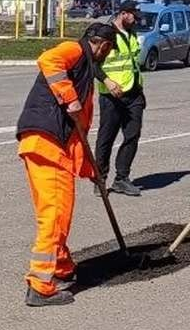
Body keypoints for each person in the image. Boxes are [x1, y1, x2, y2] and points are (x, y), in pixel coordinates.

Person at [16, 22, 118, 307]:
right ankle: (41, 286)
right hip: (48, 145)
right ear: (102, 45)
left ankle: (61, 268)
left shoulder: (84, 71)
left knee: (55, 211)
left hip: (42, 144)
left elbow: (79, 137)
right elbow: (49, 59)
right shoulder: (76, 50)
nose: (107, 56)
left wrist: (91, 172)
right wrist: (70, 98)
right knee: (56, 215)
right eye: (108, 51)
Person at [94, 0, 146, 197]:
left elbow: (132, 63)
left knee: (132, 135)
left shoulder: (132, 34)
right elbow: (93, 64)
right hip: (111, 96)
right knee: (106, 138)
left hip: (133, 93)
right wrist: (107, 81)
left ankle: (122, 179)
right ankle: (100, 179)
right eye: (133, 16)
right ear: (124, 13)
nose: (136, 20)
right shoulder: (106, 34)